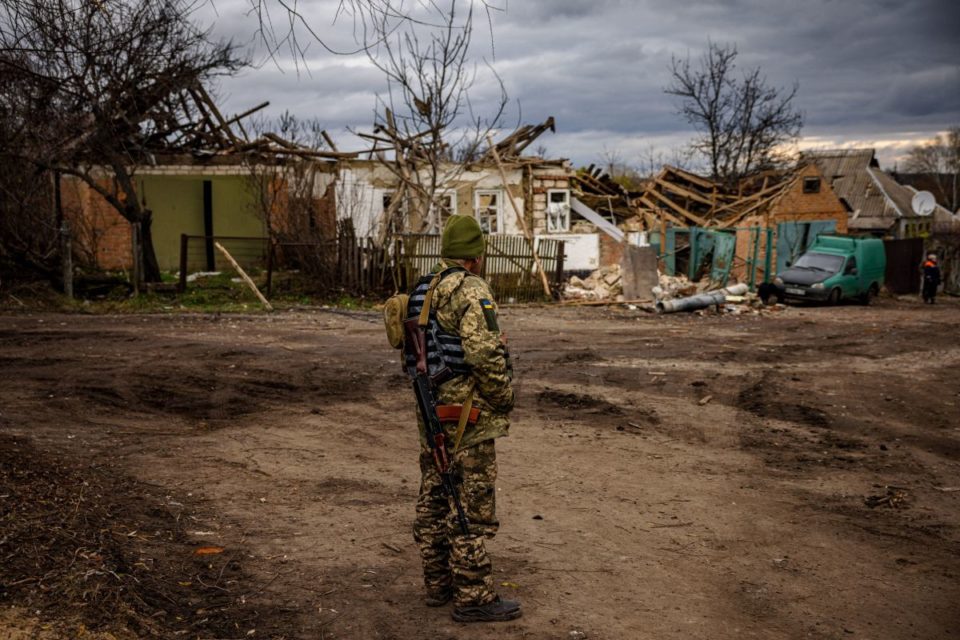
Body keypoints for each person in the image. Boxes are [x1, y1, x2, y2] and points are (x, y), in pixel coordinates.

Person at [404, 214, 521, 623]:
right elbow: (484, 354)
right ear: (475, 254)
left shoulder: (423, 288)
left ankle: (438, 584)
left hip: (431, 412)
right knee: (469, 504)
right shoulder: (471, 289)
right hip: (467, 415)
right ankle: (474, 597)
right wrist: (504, 398)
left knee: (435, 497)